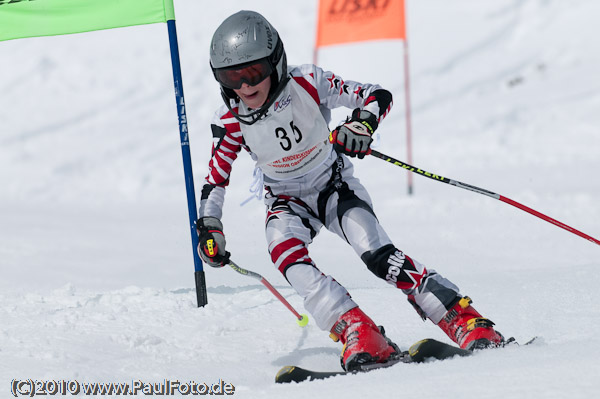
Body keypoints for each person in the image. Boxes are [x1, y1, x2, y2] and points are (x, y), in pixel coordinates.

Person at [197, 10, 504, 372]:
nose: (245, 87)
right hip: (286, 200)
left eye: (254, 72)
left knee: (377, 255)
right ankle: (357, 330)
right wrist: (210, 226)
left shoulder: (308, 82)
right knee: (286, 256)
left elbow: (376, 95)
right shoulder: (230, 118)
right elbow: (216, 178)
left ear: (275, 62)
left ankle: (464, 319)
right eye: (232, 77)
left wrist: (361, 125)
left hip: (333, 186)